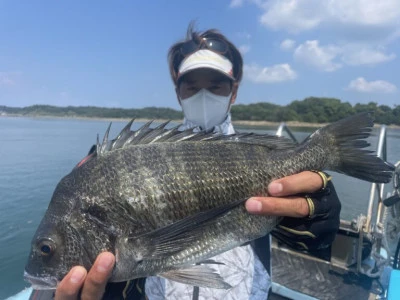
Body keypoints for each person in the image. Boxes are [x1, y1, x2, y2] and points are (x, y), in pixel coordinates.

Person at [54, 24, 341, 300]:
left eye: (216, 86)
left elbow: (307, 237)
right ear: (178, 92)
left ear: (234, 91)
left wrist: (318, 219)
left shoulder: (258, 155)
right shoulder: (114, 164)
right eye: (191, 87)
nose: (204, 95)